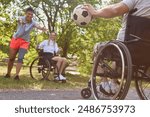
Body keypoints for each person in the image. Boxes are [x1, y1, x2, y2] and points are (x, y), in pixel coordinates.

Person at [84, 0, 150, 94]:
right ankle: (114, 84)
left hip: (127, 45)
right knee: (120, 55)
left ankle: (104, 84)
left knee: (97, 47)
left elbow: (115, 10)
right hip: (146, 52)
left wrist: (96, 12)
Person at [5, 7, 47, 80]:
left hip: (25, 42)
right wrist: (22, 22)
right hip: (16, 39)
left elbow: (38, 26)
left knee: (20, 58)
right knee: (11, 58)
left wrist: (42, 28)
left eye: (31, 14)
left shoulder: (33, 22)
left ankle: (16, 75)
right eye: (28, 14)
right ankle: (8, 73)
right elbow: (19, 20)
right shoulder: (21, 18)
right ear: (26, 13)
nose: (30, 16)